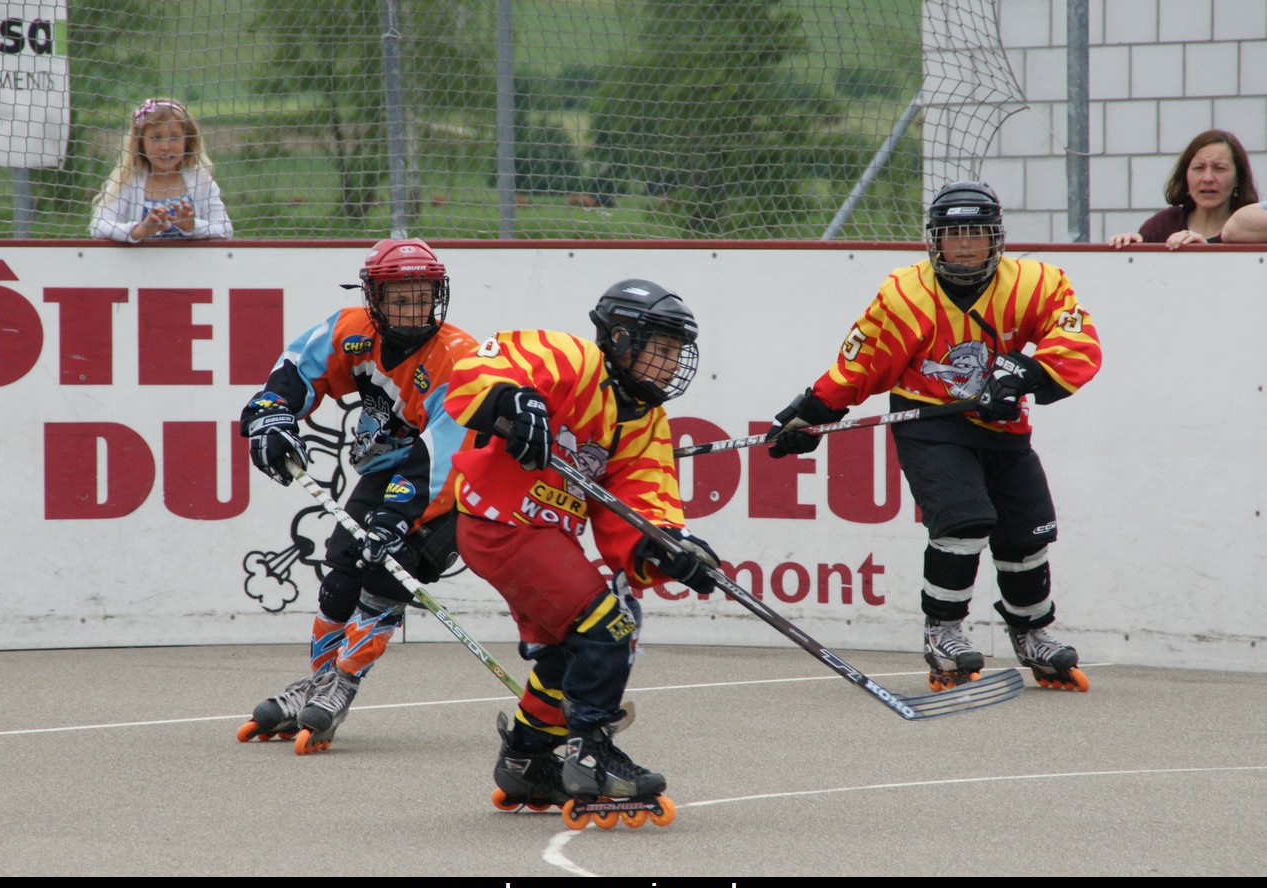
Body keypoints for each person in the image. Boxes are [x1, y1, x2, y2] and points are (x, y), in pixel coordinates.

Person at [766, 181, 1101, 693]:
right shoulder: (905, 294)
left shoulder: (1036, 283)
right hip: (930, 421)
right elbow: (862, 363)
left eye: (975, 233)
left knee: (1027, 532)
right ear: (934, 240)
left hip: (1004, 428)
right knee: (963, 521)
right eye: (952, 234)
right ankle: (943, 630)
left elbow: (1076, 338)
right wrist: (812, 412)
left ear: (996, 238)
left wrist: (1028, 372)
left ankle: (1032, 631)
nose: (964, 246)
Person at [445, 279, 718, 827]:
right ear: (620, 338)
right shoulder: (568, 358)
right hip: (501, 523)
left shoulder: (645, 421)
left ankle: (525, 760)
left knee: (574, 649)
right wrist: (513, 400)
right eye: (660, 348)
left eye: (676, 352)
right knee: (609, 626)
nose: (670, 364)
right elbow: (479, 367)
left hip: (546, 537)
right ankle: (591, 752)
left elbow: (640, 504)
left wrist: (667, 548)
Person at [236, 238, 478, 754]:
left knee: (390, 566)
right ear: (373, 298)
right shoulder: (352, 331)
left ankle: (342, 683)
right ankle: (318, 682)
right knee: (345, 564)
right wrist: (272, 414)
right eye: (399, 298)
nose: (412, 309)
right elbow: (298, 369)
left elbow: (444, 454)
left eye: (423, 297)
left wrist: (395, 517)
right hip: (389, 466)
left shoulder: (458, 358)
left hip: (457, 481)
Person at [90, 97, 234, 242]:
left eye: (174, 137)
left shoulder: (200, 180)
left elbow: (225, 229)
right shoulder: (128, 179)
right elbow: (98, 226)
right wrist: (139, 230)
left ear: (187, 141)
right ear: (141, 143)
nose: (165, 147)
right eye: (155, 138)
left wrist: (192, 226)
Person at [1107, 129, 1260, 250]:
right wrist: (1127, 246)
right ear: (1185, 175)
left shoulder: (1252, 230)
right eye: (1198, 168)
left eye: (1219, 168)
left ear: (1238, 178)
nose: (1207, 178)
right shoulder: (1162, 225)